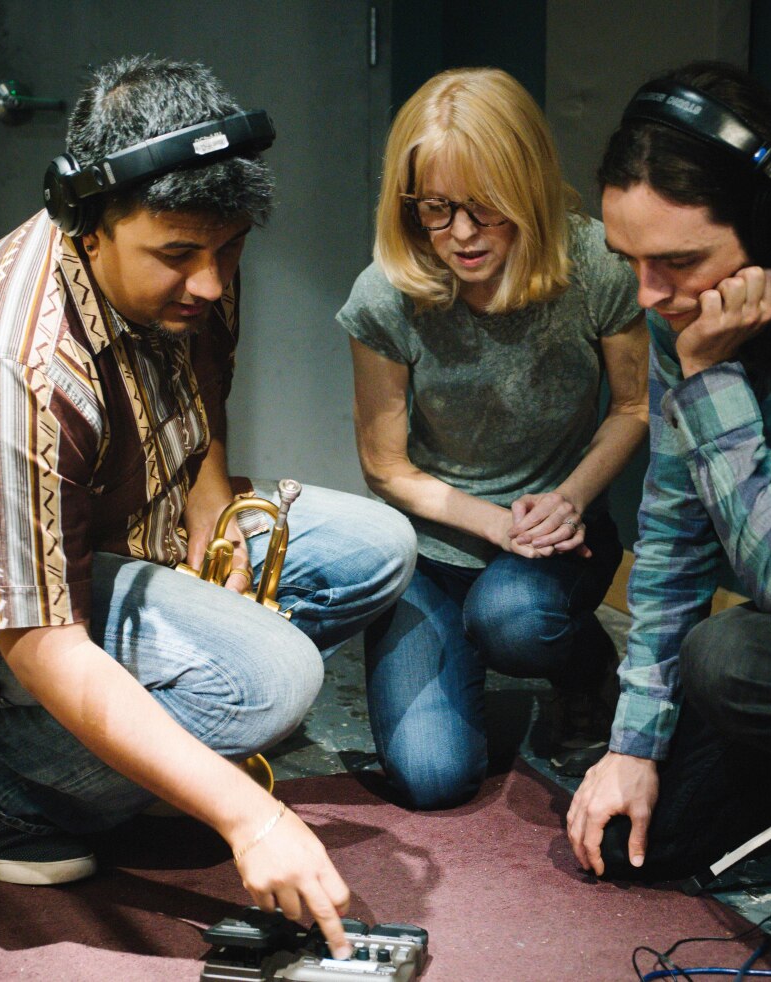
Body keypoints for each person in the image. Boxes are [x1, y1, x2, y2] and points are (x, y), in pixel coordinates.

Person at [0, 55, 417, 957]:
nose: (211, 283)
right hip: (12, 628)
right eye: (178, 256)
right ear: (86, 226)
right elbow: (40, 639)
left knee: (380, 546)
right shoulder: (18, 363)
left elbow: (202, 399)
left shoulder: (199, 254)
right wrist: (248, 819)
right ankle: (6, 796)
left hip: (123, 548)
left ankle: (143, 751)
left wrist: (216, 516)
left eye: (229, 249)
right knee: (273, 682)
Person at [336, 68, 648, 810]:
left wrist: (569, 499)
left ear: (528, 187)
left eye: (485, 208)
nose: (463, 235)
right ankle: (456, 662)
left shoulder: (598, 267)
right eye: (438, 210)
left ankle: (582, 670)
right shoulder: (385, 294)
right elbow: (385, 466)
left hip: (559, 538)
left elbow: (634, 406)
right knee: (431, 779)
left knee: (514, 620)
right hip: (435, 548)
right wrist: (492, 524)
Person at [566, 61, 771, 881]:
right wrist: (632, 746)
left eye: (678, 261)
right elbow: (673, 535)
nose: (650, 296)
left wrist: (709, 379)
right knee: (632, 844)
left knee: (730, 657)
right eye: (630, 260)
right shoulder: (684, 310)